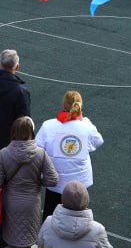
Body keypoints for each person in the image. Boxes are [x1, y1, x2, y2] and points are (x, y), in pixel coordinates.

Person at [0, 116, 59, 248]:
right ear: (31, 132)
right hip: (31, 204)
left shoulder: (4, 153)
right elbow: (53, 179)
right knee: (26, 246)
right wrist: (38, 181)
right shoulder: (40, 153)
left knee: (12, 245)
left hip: (11, 203)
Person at [36, 91, 104, 220]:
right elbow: (98, 141)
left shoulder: (48, 125)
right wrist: (86, 122)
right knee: (79, 219)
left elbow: (38, 148)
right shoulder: (86, 127)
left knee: (50, 218)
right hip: (80, 184)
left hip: (55, 183)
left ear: (63, 104)